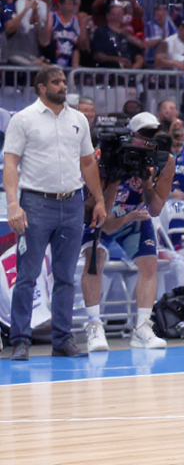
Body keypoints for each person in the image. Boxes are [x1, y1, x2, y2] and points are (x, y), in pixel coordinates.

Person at [3, 66, 106, 360]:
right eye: (56, 82)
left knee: (65, 277)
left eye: (64, 81)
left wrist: (98, 200)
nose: (63, 86)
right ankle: (20, 339)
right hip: (36, 204)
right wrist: (13, 203)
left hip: (72, 203)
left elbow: (88, 163)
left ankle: (62, 339)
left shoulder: (77, 120)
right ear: (41, 88)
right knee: (27, 275)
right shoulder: (23, 119)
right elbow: (10, 163)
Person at [79, 112, 176, 351]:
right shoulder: (108, 156)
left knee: (149, 264)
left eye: (153, 135)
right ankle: (94, 325)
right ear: (131, 136)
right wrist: (114, 181)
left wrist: (146, 183)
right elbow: (106, 221)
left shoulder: (165, 160)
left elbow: (154, 210)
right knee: (97, 257)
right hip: (98, 214)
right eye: (144, 135)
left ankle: (143, 327)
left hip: (133, 214)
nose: (148, 141)